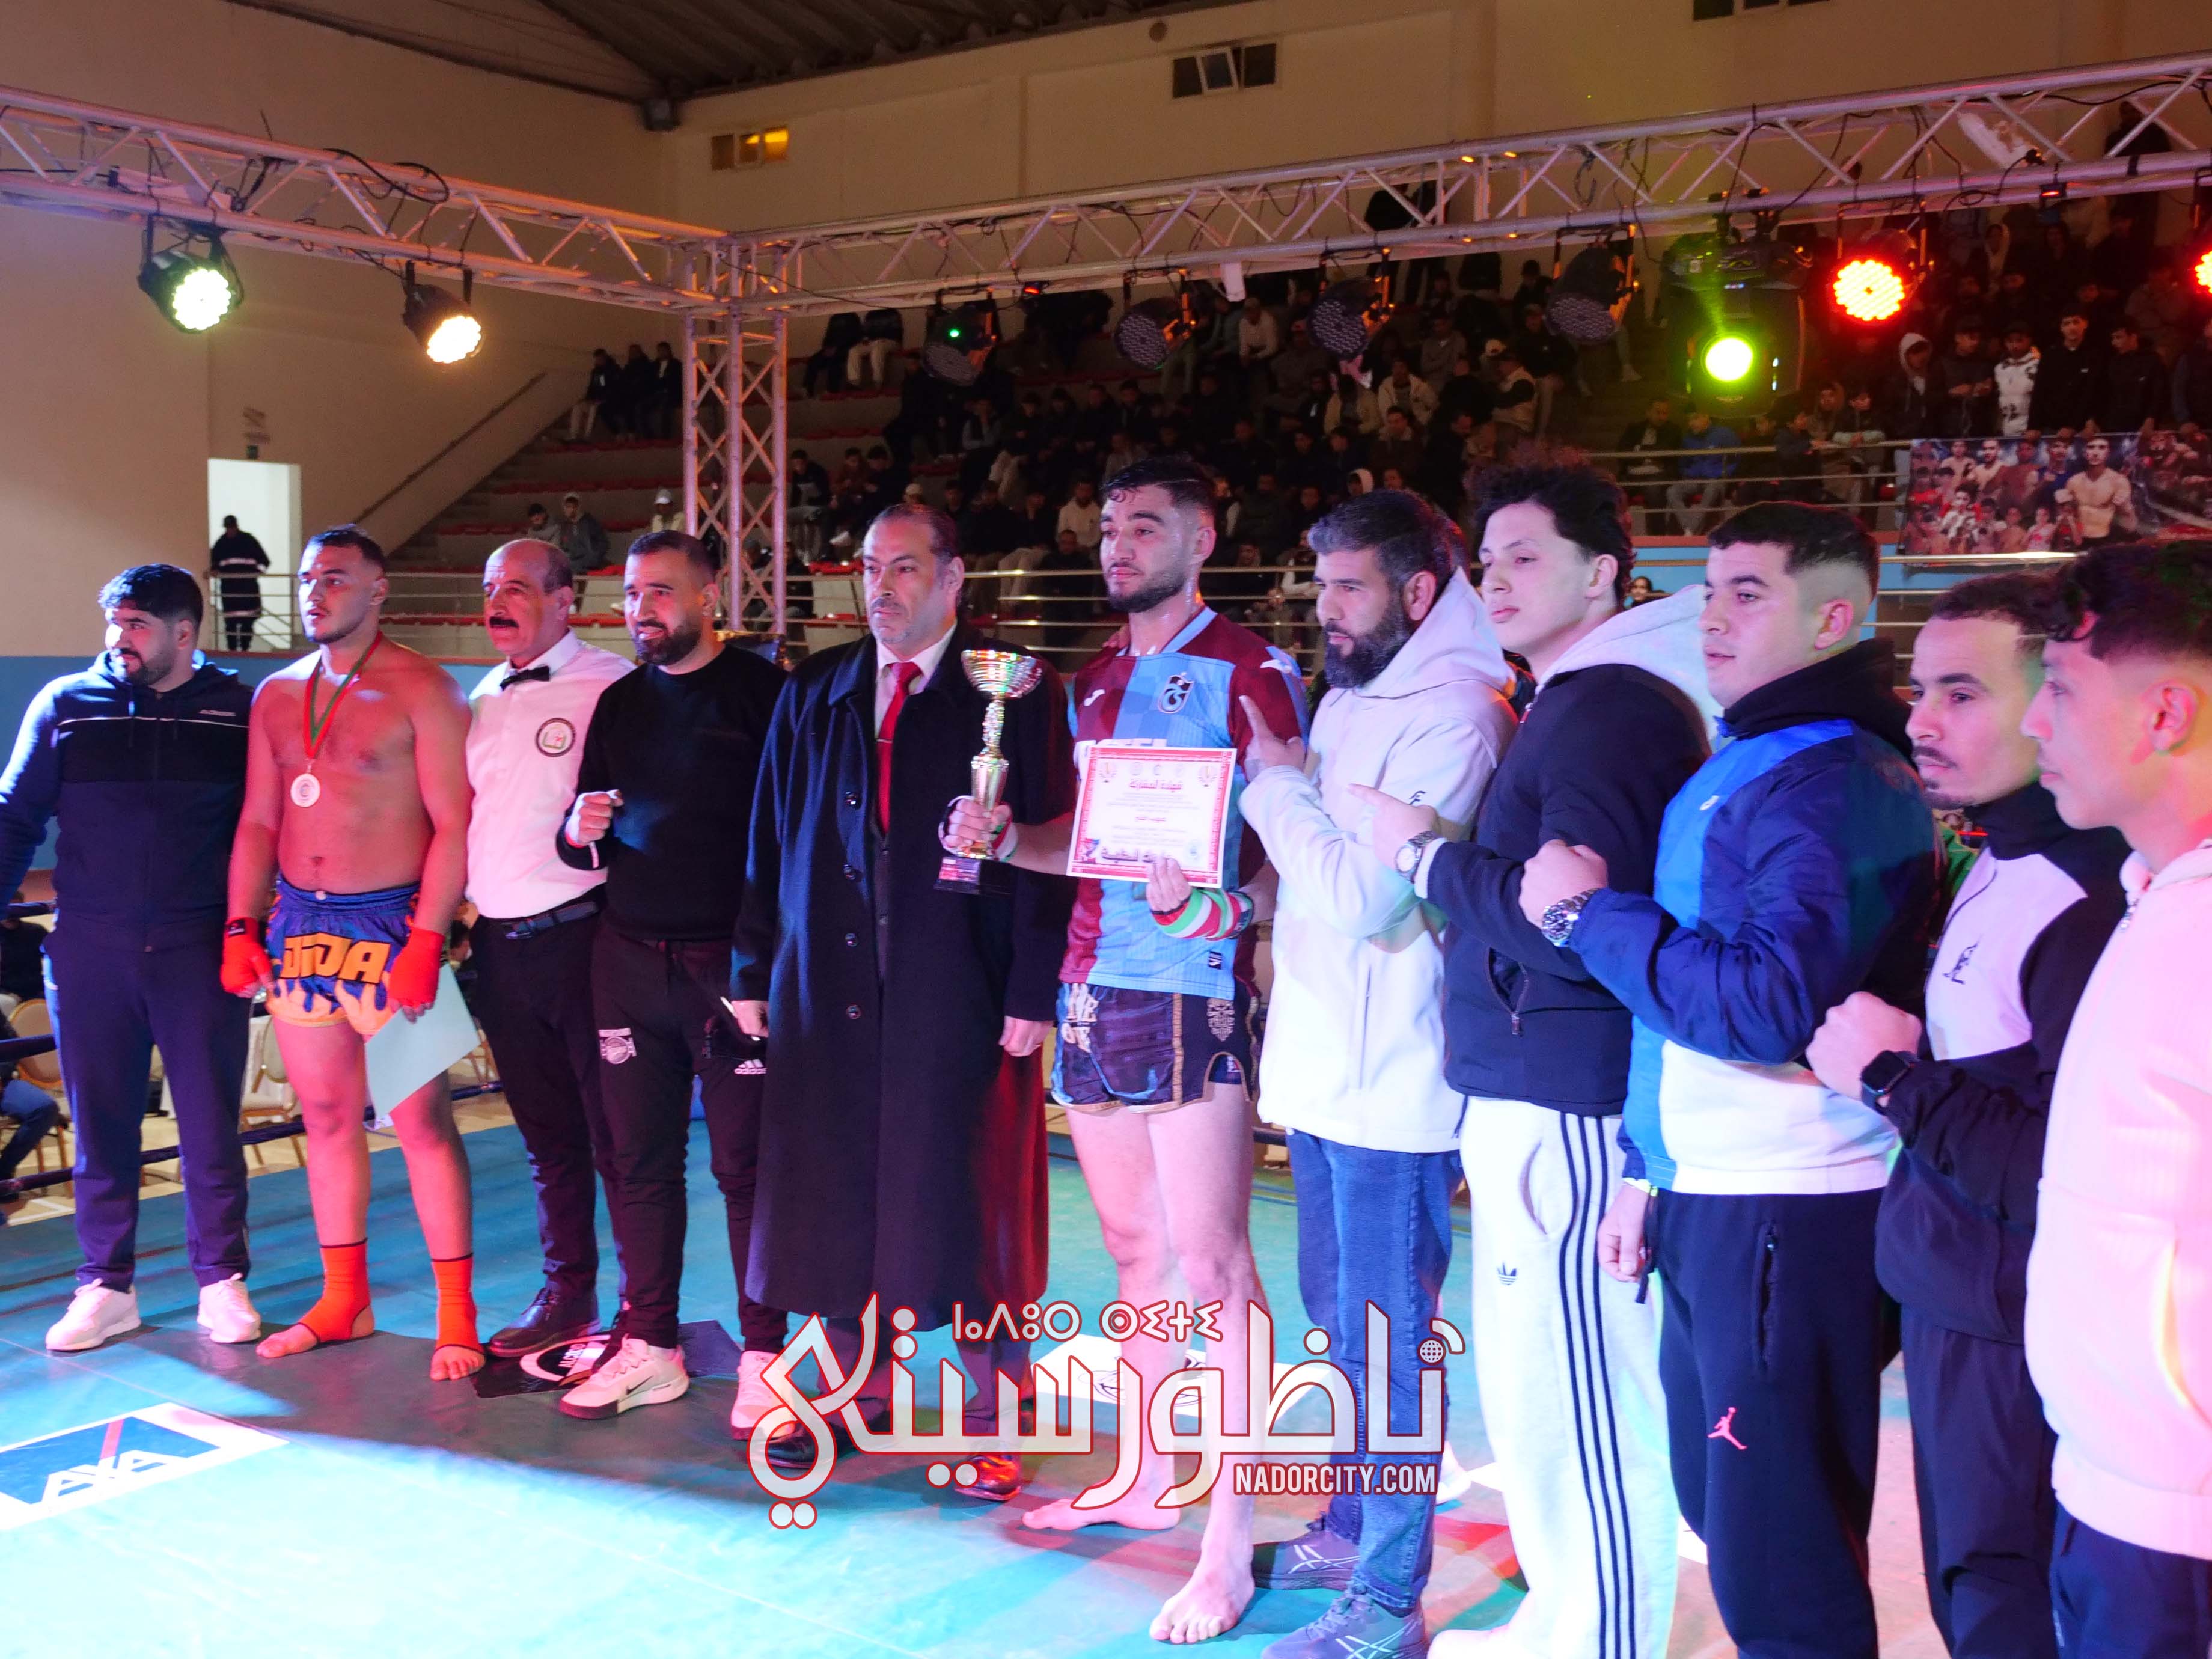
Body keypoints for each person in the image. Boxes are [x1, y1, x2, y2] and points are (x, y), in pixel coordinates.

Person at [1518, 501, 1938, 1658]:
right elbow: (1691, 1003)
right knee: (1736, 1525)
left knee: (1781, 1564)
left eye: (1748, 594)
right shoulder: (1759, 755)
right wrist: (1651, 1167)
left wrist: (1584, 915)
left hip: (1792, 1201)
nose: (1712, 618)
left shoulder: (1834, 773)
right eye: (1708, 593)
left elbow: (1762, 1006)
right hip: (1724, 1192)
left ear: (1834, 619)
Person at [943, 454, 1309, 1645]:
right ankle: (1149, 1476)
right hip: (1090, 987)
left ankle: (1228, 1546)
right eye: (1108, 526)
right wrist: (1006, 840)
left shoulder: (1253, 670)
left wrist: (1224, 907)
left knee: (1217, 1272)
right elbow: (1088, 846)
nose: (1117, 545)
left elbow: (1288, 843)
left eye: (1145, 526)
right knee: (1136, 1253)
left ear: (1203, 540)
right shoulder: (1091, 680)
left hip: (1192, 989)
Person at [1359, 465, 1714, 1659]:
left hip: (1566, 1097)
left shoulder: (1612, 704)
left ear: (1602, 571)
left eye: (1525, 557)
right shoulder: (1584, 694)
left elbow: (1575, 920)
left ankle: (1601, 1637)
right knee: (1540, 1396)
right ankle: (1568, 1621)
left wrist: (1422, 858)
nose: (1496, 581)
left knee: (1587, 1405)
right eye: (1487, 562)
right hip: (1536, 1087)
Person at [1803, 573, 2127, 1659]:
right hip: (1959, 1306)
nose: (1920, 722)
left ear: (2056, 700)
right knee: (1973, 1592)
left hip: (2014, 1331)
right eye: (1920, 690)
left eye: (1962, 694)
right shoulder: (2003, 852)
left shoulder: (2092, 894)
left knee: (2006, 1603)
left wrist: (1891, 1079)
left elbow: (2063, 1168)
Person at [732, 504, 1073, 1492]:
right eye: (871, 569)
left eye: (906, 568)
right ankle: (854, 1389)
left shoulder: (1016, 688)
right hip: (827, 982)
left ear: (954, 578)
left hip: (964, 980)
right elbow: (769, 835)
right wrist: (753, 970)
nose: (881, 588)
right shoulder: (818, 688)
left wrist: (1034, 985)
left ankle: (993, 1412)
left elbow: (1058, 841)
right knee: (834, 1187)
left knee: (971, 1193)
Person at [1235, 491, 1515, 1659]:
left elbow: (1364, 897)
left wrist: (1275, 785)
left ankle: (1389, 1600)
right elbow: (1318, 876)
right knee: (1340, 1332)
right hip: (1321, 1068)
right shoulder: (1358, 693)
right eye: (1321, 587)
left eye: (1347, 587)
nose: (1326, 610)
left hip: (1394, 1085)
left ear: (1416, 591)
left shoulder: (1462, 712)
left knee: (1389, 1352)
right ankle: (1352, 1530)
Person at [219, 527, 482, 1379]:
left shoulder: (425, 687)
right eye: (306, 579)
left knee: (421, 1125)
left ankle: (457, 1316)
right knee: (327, 1120)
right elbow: (260, 819)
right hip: (300, 925)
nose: (314, 593)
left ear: (378, 589)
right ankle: (345, 1301)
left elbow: (454, 826)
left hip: (392, 926)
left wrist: (428, 937)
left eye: (334, 578)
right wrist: (240, 925)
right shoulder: (277, 695)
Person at [2016, 540, 2212, 1656]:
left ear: (2166, 714)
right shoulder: (2156, 897)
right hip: (2112, 1491)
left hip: (2182, 1528)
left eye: (2059, 688)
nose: (2033, 720)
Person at [549, 531, 790, 1420]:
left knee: (745, 1169)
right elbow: (580, 837)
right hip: (626, 957)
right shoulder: (620, 702)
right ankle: (651, 1343)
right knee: (637, 1163)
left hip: (729, 965)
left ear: (707, 595)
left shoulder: (765, 695)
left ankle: (767, 1354)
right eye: (629, 594)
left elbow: (796, 840)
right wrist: (578, 828)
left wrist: (763, 965)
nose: (639, 610)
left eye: (658, 592)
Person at [0, 566, 258, 1350]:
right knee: (102, 1125)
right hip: (90, 947)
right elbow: (14, 816)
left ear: (185, 631)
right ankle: (105, 1286)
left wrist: (260, 926)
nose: (119, 639)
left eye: (137, 624)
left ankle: (221, 1279)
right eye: (114, 622)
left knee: (209, 1123)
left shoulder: (238, 710)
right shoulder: (67, 705)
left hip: (198, 947)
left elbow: (268, 825)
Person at [463, 540, 635, 1358]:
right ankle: (568, 1293)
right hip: (498, 950)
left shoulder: (612, 684)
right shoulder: (481, 695)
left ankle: (644, 1305)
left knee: (618, 1136)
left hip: (583, 939)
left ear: (568, 600)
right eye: (490, 587)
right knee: (546, 1140)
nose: (498, 601)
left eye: (518, 588)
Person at [209, 515, 269, 653]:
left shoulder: (248, 541)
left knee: (247, 623)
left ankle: (245, 650)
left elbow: (264, 562)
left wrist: (254, 574)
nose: (230, 531)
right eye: (228, 528)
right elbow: (214, 565)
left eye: (231, 527)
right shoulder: (222, 544)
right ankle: (233, 650)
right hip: (231, 592)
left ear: (236, 526)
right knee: (231, 623)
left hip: (247, 590)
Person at [571, 347, 618, 440]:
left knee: (593, 409)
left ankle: (587, 435)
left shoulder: (613, 370)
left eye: (600, 359)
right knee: (578, 407)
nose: (598, 361)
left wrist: (601, 399)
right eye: (597, 359)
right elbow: (593, 387)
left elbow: (611, 388)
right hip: (595, 399)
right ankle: (574, 434)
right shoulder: (596, 372)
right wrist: (587, 399)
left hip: (607, 400)